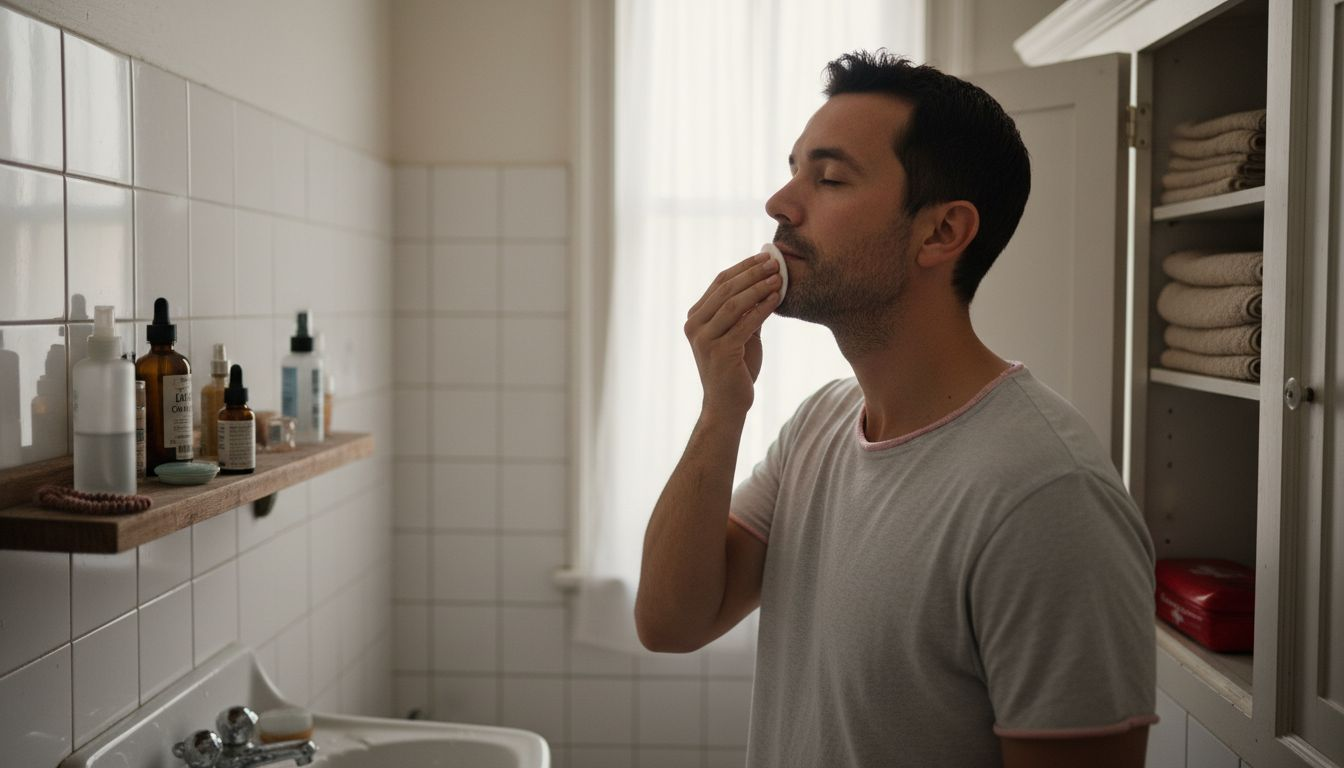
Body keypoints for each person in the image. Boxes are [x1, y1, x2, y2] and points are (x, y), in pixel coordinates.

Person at [633, 50, 1157, 767]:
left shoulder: (1048, 496)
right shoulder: (819, 426)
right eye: (793, 171)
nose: (780, 204)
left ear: (941, 233)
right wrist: (721, 410)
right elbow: (669, 621)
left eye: (830, 178)